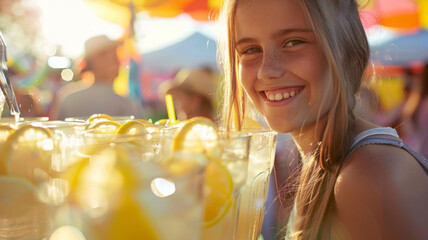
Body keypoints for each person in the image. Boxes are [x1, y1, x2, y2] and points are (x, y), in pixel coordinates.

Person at [218, 0, 428, 239]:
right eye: (250, 49)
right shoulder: (328, 164)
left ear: (347, 48)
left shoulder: (364, 177)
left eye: (293, 42)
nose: (267, 70)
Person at [55, 35, 143, 120]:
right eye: (114, 56)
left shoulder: (68, 99)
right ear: (96, 60)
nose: (119, 62)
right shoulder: (126, 103)